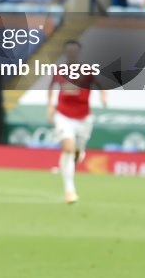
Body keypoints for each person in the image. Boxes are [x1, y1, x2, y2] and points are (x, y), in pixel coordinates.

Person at [47, 40, 108, 204]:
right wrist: (50, 107)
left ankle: (77, 153)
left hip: (83, 117)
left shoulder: (87, 70)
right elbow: (52, 87)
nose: (71, 53)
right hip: (63, 115)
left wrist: (103, 96)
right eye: (69, 50)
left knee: (76, 153)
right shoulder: (60, 71)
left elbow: (99, 84)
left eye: (74, 50)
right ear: (66, 52)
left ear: (78, 52)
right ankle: (70, 191)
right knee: (68, 148)